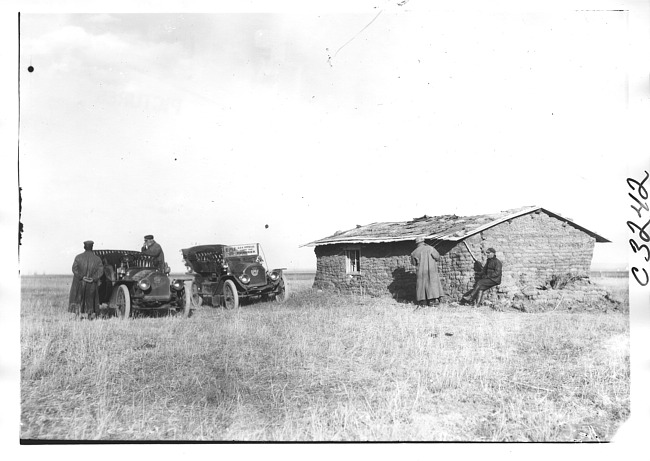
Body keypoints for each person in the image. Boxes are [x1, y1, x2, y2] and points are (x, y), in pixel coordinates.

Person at [68, 240, 104, 319]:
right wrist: (93, 278)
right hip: (91, 284)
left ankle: (77, 316)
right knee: (90, 299)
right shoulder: (97, 259)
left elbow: (74, 269)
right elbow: (100, 271)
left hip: (79, 282)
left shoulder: (78, 257)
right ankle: (90, 316)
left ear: (84, 247)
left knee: (78, 298)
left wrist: (82, 277)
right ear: (92, 247)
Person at [410, 236, 444, 307]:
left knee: (421, 286)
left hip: (421, 273)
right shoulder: (430, 248)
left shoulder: (414, 252)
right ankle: (433, 301)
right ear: (423, 241)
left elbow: (413, 263)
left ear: (416, 243)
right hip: (431, 271)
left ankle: (423, 302)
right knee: (432, 285)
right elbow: (437, 257)